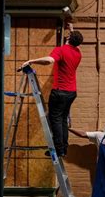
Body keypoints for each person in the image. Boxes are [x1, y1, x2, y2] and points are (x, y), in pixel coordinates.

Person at [23, 25, 83, 157]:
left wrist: (31, 61)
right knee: (62, 119)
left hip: (60, 92)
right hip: (71, 93)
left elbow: (48, 61)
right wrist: (72, 30)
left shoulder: (60, 50)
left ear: (68, 38)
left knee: (55, 119)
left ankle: (58, 149)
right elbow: (77, 43)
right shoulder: (78, 53)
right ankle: (64, 148)